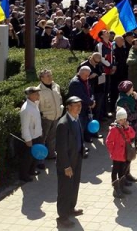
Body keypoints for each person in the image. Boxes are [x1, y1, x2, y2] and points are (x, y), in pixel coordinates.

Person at [55, 96, 86, 229]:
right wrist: (66, 166)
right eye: (76, 105)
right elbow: (60, 148)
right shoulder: (63, 124)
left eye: (80, 105)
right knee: (65, 189)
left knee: (74, 186)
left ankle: (71, 208)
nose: (79, 107)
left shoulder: (77, 118)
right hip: (67, 163)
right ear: (68, 106)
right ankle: (62, 217)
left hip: (77, 158)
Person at [105, 107, 137, 198]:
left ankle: (122, 186)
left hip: (124, 154)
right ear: (117, 119)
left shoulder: (126, 127)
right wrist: (112, 151)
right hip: (116, 155)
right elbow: (109, 141)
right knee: (115, 171)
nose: (123, 121)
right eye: (121, 119)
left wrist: (127, 128)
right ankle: (116, 189)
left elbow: (132, 135)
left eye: (124, 119)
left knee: (122, 171)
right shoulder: (114, 129)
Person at [19, 86, 44, 181]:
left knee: (35, 155)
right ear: (30, 95)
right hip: (31, 138)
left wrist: (40, 132)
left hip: (37, 135)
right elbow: (24, 126)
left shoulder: (34, 104)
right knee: (27, 158)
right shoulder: (26, 109)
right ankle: (24, 175)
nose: (38, 95)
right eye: (36, 93)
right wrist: (28, 139)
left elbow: (37, 121)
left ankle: (32, 171)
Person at [37, 69, 63, 160]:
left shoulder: (56, 86)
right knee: (42, 139)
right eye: (47, 76)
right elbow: (37, 106)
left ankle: (51, 154)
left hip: (56, 117)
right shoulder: (38, 91)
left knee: (52, 137)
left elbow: (60, 99)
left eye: (50, 75)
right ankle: (40, 159)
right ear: (41, 78)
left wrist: (60, 109)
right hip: (45, 118)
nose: (50, 77)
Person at [68, 66, 96, 146]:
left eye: (88, 75)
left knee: (86, 124)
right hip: (78, 109)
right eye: (86, 75)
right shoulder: (75, 83)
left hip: (85, 107)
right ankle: (79, 146)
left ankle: (86, 138)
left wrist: (92, 100)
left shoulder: (85, 80)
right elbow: (81, 96)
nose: (88, 77)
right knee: (79, 128)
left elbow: (90, 91)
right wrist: (91, 102)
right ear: (80, 73)